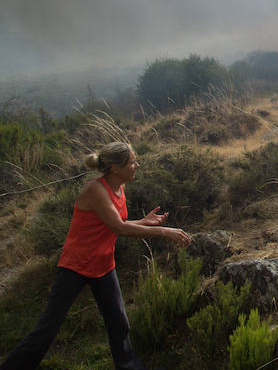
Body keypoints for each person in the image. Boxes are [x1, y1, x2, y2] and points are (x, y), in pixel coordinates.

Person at [1, 142, 191, 370]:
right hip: (76, 266)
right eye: (132, 162)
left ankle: (128, 366)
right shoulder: (95, 190)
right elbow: (119, 228)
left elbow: (113, 223)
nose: (136, 165)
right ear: (114, 167)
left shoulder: (119, 187)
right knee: (48, 328)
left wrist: (143, 222)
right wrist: (164, 232)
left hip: (103, 265)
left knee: (118, 323)